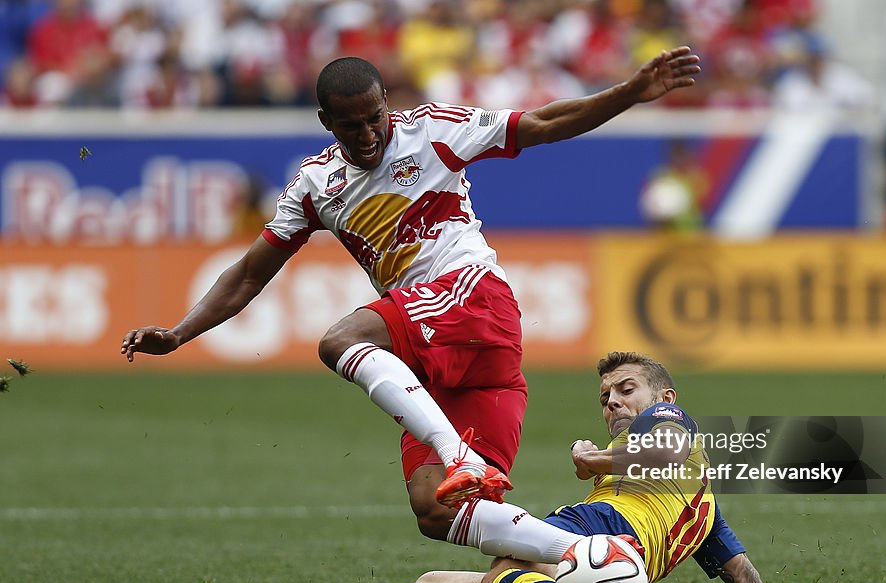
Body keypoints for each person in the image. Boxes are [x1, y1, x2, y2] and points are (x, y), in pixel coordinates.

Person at [119, 49, 703, 545]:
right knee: (437, 511)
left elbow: (545, 122)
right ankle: (580, 555)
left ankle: (458, 452)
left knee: (341, 340)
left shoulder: (434, 130)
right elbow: (248, 274)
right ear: (326, 122)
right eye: (352, 125)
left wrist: (630, 91)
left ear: (386, 104)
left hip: (473, 299)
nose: (370, 133)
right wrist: (179, 332)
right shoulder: (315, 187)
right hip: (453, 361)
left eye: (376, 117)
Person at [269, 351, 765, 583]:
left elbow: (668, 450)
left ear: (664, 397)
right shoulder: (705, 511)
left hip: (601, 534)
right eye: (605, 396)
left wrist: (594, 460)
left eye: (626, 389)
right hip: (612, 576)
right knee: (437, 582)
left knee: (504, 568)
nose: (613, 400)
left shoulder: (668, 420)